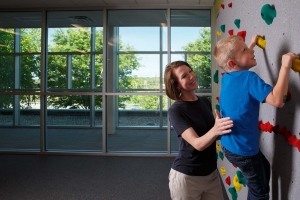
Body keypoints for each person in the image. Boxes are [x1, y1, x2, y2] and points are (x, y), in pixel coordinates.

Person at [213, 34, 298, 200]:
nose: (250, 52)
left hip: (230, 146)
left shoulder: (228, 77)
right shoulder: (249, 78)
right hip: (244, 151)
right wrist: (285, 67)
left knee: (263, 169)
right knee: (260, 192)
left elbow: (238, 62)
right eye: (245, 50)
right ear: (232, 63)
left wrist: (251, 44)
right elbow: (277, 101)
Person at [164, 60, 234, 200]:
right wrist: (216, 129)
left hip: (211, 173)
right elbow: (198, 144)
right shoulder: (175, 110)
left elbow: (211, 134)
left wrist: (228, 126)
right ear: (177, 85)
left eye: (190, 71)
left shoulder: (204, 102)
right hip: (187, 177)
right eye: (184, 76)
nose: (191, 76)